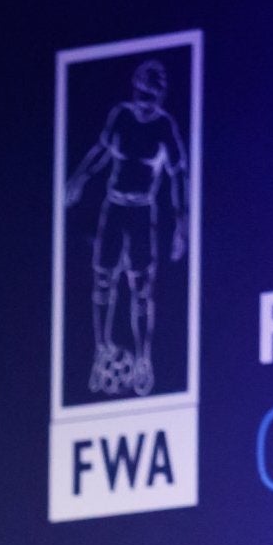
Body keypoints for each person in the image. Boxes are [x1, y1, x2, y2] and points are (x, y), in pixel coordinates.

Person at [65, 57, 189, 398]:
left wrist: (181, 225)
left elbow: (179, 175)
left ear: (160, 97)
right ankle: (101, 350)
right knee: (103, 280)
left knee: (141, 289)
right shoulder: (120, 115)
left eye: (151, 94)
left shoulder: (164, 128)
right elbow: (101, 152)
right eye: (141, 91)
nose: (144, 99)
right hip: (114, 208)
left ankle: (143, 360)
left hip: (141, 213)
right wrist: (78, 179)